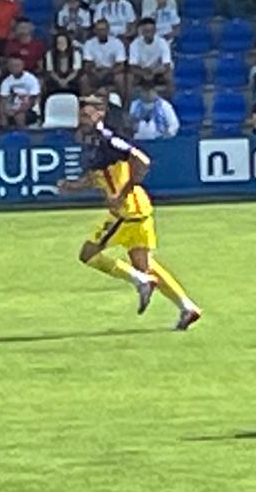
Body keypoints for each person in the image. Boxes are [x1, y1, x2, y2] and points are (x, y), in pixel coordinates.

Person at [56, 96, 201, 328]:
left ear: (100, 114)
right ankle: (187, 307)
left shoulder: (108, 140)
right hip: (139, 211)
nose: (82, 120)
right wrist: (72, 186)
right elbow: (97, 178)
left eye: (87, 115)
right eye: (80, 115)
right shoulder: (94, 143)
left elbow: (142, 160)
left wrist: (123, 193)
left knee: (88, 254)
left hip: (124, 213)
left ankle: (141, 281)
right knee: (146, 266)